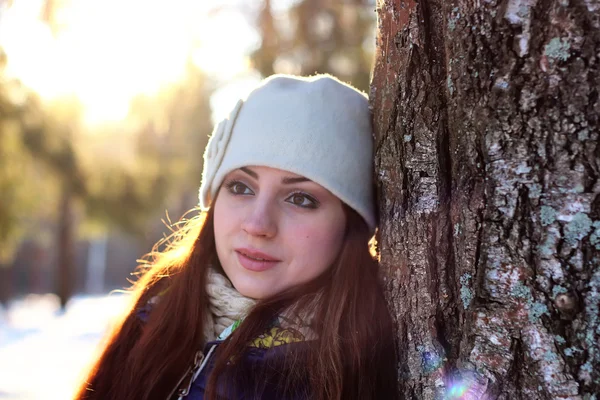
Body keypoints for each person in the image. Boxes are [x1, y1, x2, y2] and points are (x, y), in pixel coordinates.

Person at [75, 74, 398, 400]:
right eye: (241, 187)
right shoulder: (159, 309)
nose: (257, 224)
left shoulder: (356, 369)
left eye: (300, 198)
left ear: (350, 226)